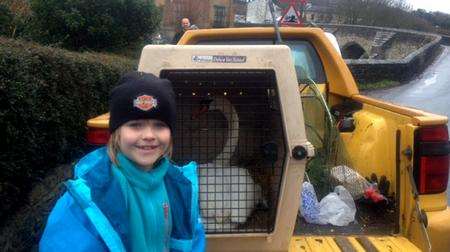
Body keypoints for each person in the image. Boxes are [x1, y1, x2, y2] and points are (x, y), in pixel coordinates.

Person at [40, 72, 205, 252]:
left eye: (159, 125)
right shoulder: (86, 199)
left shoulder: (181, 188)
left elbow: (193, 242)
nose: (149, 135)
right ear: (116, 133)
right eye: (135, 125)